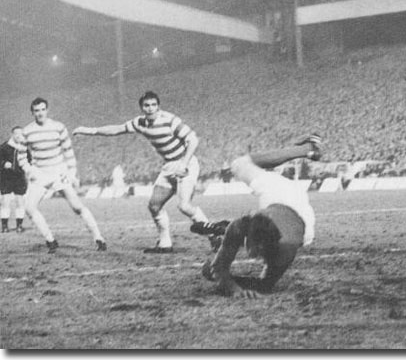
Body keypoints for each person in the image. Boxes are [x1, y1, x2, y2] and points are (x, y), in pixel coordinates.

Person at [73, 91, 214, 253]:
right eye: (146, 105)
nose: (150, 108)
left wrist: (184, 163)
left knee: (184, 206)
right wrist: (89, 130)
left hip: (186, 163)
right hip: (168, 166)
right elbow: (117, 129)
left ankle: (214, 236)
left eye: (154, 105)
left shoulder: (170, 120)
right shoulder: (139, 122)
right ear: (142, 108)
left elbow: (193, 140)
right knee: (154, 206)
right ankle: (165, 243)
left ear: (158, 106)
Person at [191, 134, 322, 298]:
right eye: (251, 245)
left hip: (300, 214)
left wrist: (228, 281)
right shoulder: (242, 225)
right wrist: (230, 285)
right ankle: (305, 149)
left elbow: (265, 284)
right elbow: (218, 269)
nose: (252, 255)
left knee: (267, 278)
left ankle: (222, 229)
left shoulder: (287, 246)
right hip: (278, 194)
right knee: (239, 164)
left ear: (271, 244)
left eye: (257, 249)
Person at [19, 98, 107, 253]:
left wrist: (71, 172)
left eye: (42, 109)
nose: (40, 113)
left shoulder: (58, 127)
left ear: (47, 110)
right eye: (37, 110)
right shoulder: (26, 131)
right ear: (32, 112)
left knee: (77, 207)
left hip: (58, 172)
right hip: (40, 174)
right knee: (30, 208)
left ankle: (99, 238)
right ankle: (51, 241)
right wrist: (29, 170)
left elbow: (68, 151)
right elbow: (21, 157)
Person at [0, 126, 30, 233]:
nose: (19, 136)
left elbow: (29, 160)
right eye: (16, 133)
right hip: (6, 178)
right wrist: (3, 164)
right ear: (12, 134)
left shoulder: (24, 148)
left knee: (20, 201)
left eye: (21, 134)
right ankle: (4, 226)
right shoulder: (4, 147)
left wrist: (27, 167)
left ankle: (19, 226)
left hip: (19, 178)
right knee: (5, 201)